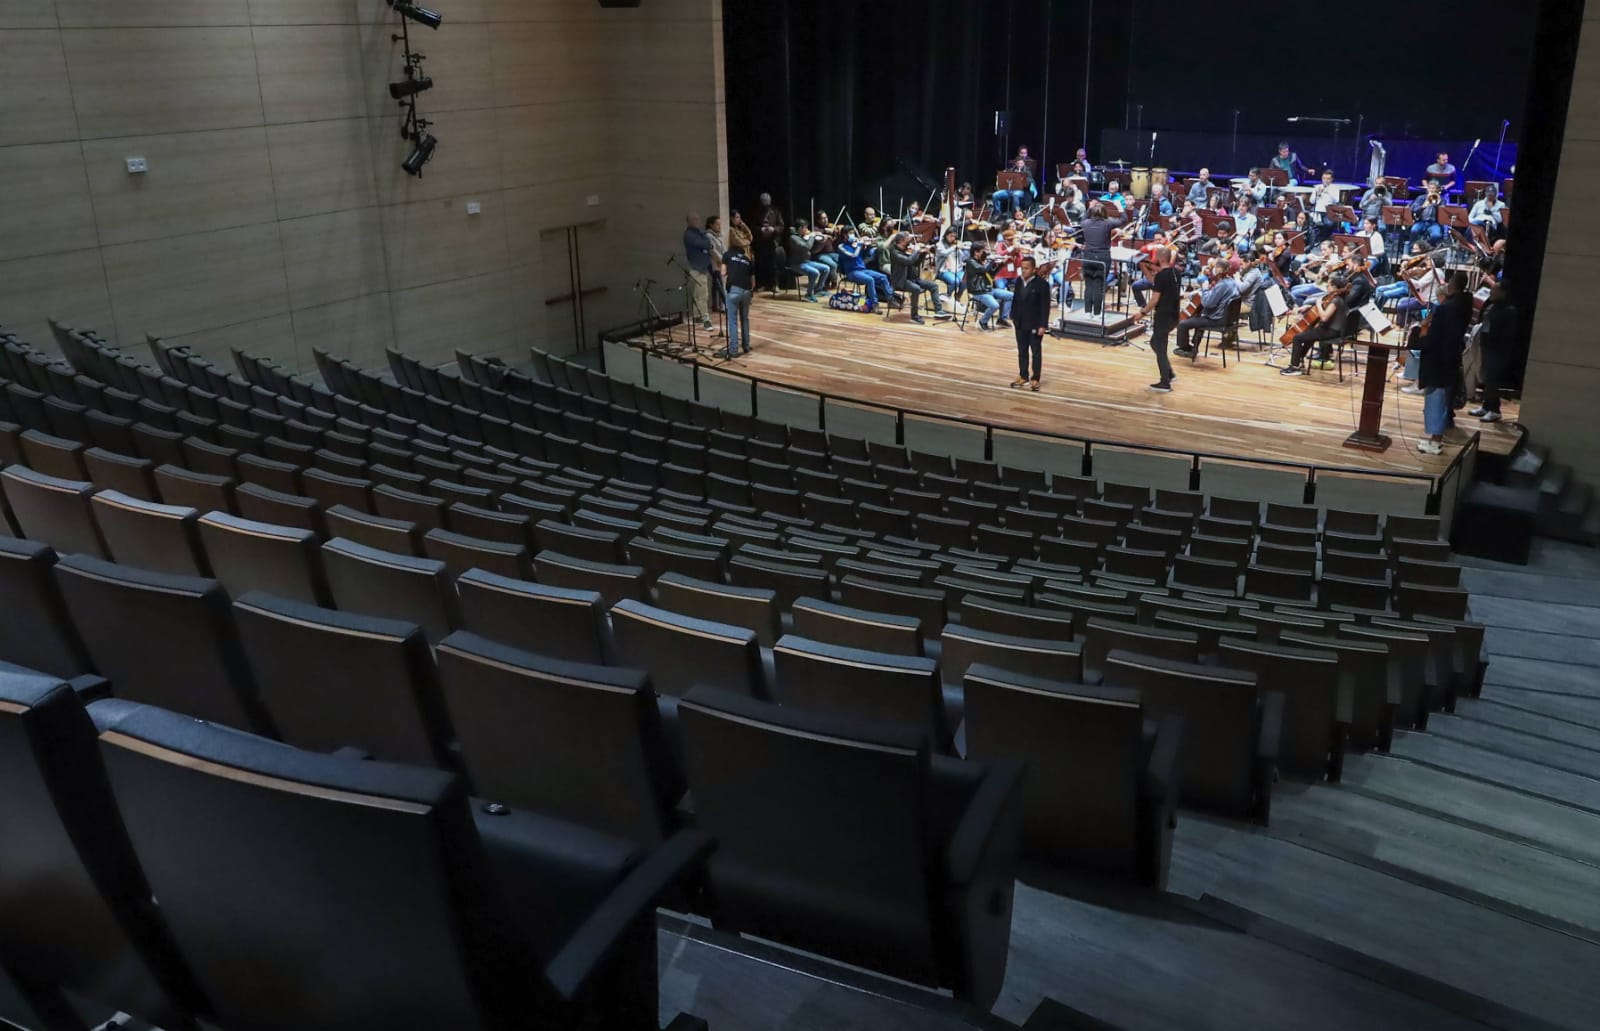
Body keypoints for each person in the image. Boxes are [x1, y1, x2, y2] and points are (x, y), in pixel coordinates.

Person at [1415, 271, 1472, 453]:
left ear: (1452, 285)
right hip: (1451, 357)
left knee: (1435, 401)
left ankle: (1435, 441)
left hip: (1438, 360)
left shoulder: (1446, 309)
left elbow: (1434, 337)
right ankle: (1435, 439)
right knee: (1442, 400)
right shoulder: (1465, 303)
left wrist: (1424, 330)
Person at [1281, 275, 1350, 374]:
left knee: (1297, 338)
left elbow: (1324, 317)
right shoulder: (1338, 297)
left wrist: (1318, 304)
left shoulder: (1336, 300)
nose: (1327, 287)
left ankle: (1295, 367)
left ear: (1335, 287)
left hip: (1331, 331)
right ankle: (1299, 361)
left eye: (1329, 285)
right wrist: (1309, 306)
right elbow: (1325, 306)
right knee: (1309, 336)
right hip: (1332, 329)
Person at [1471, 280, 1518, 423]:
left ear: (1503, 292)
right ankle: (1486, 406)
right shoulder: (1491, 305)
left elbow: (1506, 335)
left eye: (1495, 290)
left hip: (1498, 350)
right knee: (1485, 377)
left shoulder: (1509, 311)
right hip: (1486, 346)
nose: (1492, 292)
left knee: (1492, 380)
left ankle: (1495, 410)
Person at [1136, 246, 1181, 392]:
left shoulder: (1162, 276)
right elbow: (1157, 281)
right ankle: (1169, 373)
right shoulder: (1176, 273)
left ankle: (1165, 382)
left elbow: (1155, 299)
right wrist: (1145, 267)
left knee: (1160, 347)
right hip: (1174, 314)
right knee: (1155, 342)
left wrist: (1142, 312)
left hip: (1163, 314)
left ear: (1160, 258)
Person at [1176, 259, 1240, 357]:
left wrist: (1205, 288)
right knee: (1199, 315)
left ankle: (1186, 348)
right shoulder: (1231, 281)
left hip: (1217, 319)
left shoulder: (1222, 285)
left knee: (1182, 324)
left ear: (1219, 270)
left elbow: (1207, 303)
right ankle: (1194, 347)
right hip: (1227, 318)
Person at [1009, 256, 1052, 390]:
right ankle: (1023, 375)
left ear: (1034, 269)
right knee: (1022, 351)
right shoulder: (1018, 282)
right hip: (1020, 322)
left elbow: (1045, 306)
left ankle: (1035, 378)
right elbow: (1015, 300)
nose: (1024, 271)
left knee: (1035, 352)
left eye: (1026, 268)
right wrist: (1013, 316)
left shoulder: (1042, 285)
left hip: (1034, 324)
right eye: (1022, 268)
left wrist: (1043, 325)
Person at [1078, 200, 1127, 317]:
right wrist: (1119, 207)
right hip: (1102, 257)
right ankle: (1097, 313)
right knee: (1099, 286)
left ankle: (1087, 312)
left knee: (1089, 285)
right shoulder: (1107, 223)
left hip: (1088, 256)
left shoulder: (1086, 223)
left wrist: (1089, 207)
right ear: (1105, 213)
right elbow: (1123, 219)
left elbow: (1082, 219)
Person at [888, 232, 942, 324]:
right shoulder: (895, 252)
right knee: (916, 289)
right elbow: (908, 261)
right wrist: (916, 251)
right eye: (907, 240)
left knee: (934, 286)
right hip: (900, 281)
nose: (909, 243)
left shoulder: (906, 249)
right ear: (901, 241)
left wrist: (923, 253)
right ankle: (914, 316)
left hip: (913, 279)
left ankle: (939, 311)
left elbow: (915, 263)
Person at [836, 230, 894, 308]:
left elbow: (869, 255)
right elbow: (853, 255)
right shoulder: (841, 246)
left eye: (853, 233)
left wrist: (867, 246)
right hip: (851, 272)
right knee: (870, 280)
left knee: (883, 277)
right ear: (844, 235)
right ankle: (874, 304)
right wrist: (859, 245)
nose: (852, 235)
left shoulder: (856, 245)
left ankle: (891, 300)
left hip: (862, 270)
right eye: (850, 233)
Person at [682, 213, 716, 333]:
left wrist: (707, 245)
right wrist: (706, 245)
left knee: (697, 294)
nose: (698, 221)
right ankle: (706, 320)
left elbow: (708, 241)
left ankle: (696, 317)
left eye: (698, 219)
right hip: (696, 268)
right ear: (689, 221)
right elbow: (704, 244)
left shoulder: (698, 232)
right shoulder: (689, 234)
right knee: (703, 295)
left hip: (701, 267)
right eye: (695, 219)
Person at [965, 244, 1012, 330]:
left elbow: (991, 274)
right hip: (978, 291)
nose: (985, 253)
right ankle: (983, 322)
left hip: (988, 289)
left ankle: (1002, 319)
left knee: (1011, 296)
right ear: (976, 252)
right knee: (995, 305)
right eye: (983, 251)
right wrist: (991, 260)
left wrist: (1001, 264)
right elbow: (983, 269)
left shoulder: (981, 262)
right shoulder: (970, 262)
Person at [721, 246, 754, 359]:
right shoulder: (748, 260)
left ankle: (734, 350)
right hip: (746, 292)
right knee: (744, 319)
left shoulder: (727, 255)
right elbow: (753, 282)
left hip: (734, 290)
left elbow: (723, 273)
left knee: (732, 320)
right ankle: (746, 346)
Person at [784, 221, 830, 301]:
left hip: (806, 262)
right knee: (814, 272)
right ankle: (809, 294)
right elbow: (806, 247)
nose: (807, 229)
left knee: (826, 268)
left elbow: (813, 248)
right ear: (800, 228)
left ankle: (818, 289)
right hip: (796, 264)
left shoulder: (803, 236)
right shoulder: (793, 238)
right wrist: (811, 236)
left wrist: (821, 241)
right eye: (806, 227)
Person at [755, 192, 785, 294]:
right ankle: (763, 284)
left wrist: (774, 229)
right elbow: (753, 227)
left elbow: (781, 226)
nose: (765, 203)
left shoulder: (775, 212)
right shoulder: (757, 212)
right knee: (762, 264)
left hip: (773, 242)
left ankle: (775, 284)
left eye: (767, 201)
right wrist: (761, 229)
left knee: (774, 264)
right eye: (763, 201)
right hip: (762, 242)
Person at [935, 229, 969, 307]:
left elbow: (963, 258)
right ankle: (948, 296)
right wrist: (954, 247)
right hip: (944, 270)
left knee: (965, 279)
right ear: (946, 235)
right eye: (951, 236)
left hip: (958, 269)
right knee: (955, 281)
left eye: (954, 236)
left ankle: (958, 296)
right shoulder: (939, 245)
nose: (953, 238)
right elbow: (944, 253)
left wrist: (961, 249)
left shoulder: (955, 245)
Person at [1410, 180, 1445, 246]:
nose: (1431, 190)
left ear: (1437, 190)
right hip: (1421, 221)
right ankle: (1412, 249)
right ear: (1427, 189)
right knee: (1414, 231)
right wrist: (1423, 206)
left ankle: (1429, 249)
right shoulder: (1420, 198)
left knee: (1436, 235)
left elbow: (1443, 214)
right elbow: (1414, 210)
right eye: (1430, 188)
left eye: (1433, 188)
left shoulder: (1442, 200)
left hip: (1434, 223)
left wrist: (1437, 205)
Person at [705, 214, 727, 313]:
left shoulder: (719, 235)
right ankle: (726, 305)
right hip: (713, 263)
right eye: (717, 224)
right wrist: (722, 260)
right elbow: (712, 251)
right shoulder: (708, 236)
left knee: (715, 284)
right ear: (711, 225)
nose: (719, 226)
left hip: (720, 263)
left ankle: (715, 306)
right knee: (719, 284)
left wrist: (725, 259)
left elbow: (723, 249)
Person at [1309, 169, 1340, 242]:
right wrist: (1317, 194)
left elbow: (1336, 200)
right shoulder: (1317, 187)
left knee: (1328, 224)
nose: (1325, 180)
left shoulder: (1335, 188)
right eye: (1324, 178)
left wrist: (1328, 191)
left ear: (1331, 179)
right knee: (1311, 222)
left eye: (1328, 179)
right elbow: (1311, 201)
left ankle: (1324, 239)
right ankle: (1314, 239)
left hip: (1328, 211)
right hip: (1318, 210)